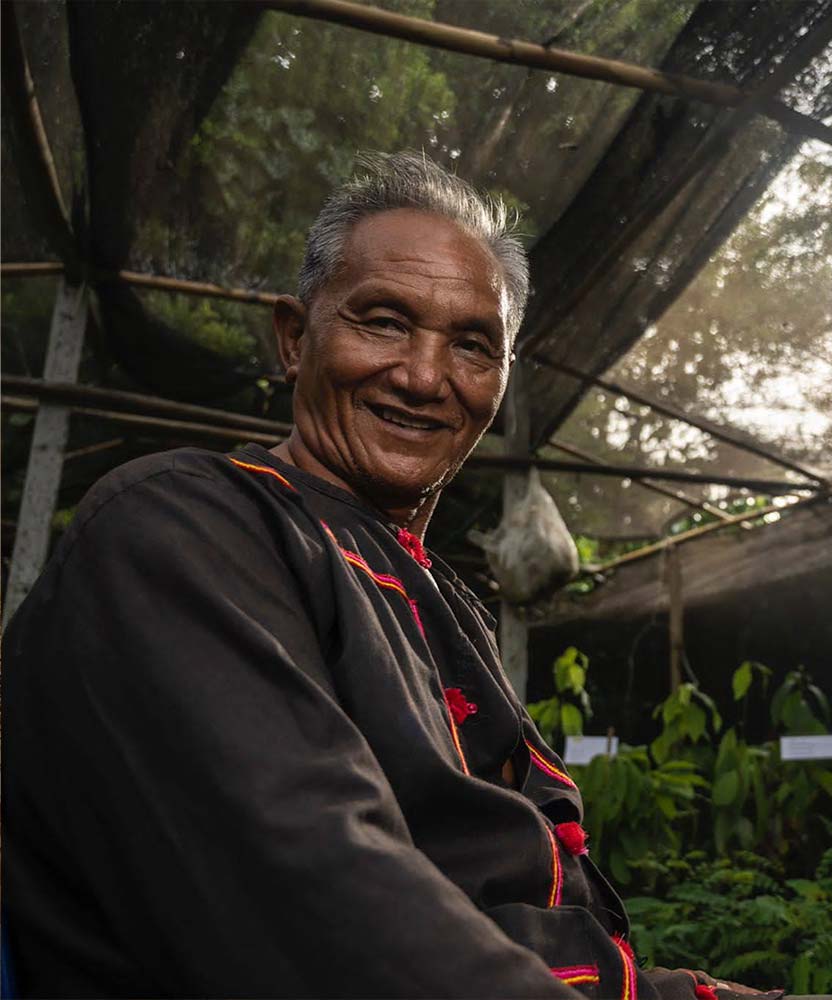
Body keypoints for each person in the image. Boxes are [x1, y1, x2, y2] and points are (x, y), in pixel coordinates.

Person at [1, 152, 772, 1000]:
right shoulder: (183, 527)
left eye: (473, 344)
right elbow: (320, 907)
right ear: (294, 339)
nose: (424, 376)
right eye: (382, 322)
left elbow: (506, 911)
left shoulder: (448, 603)